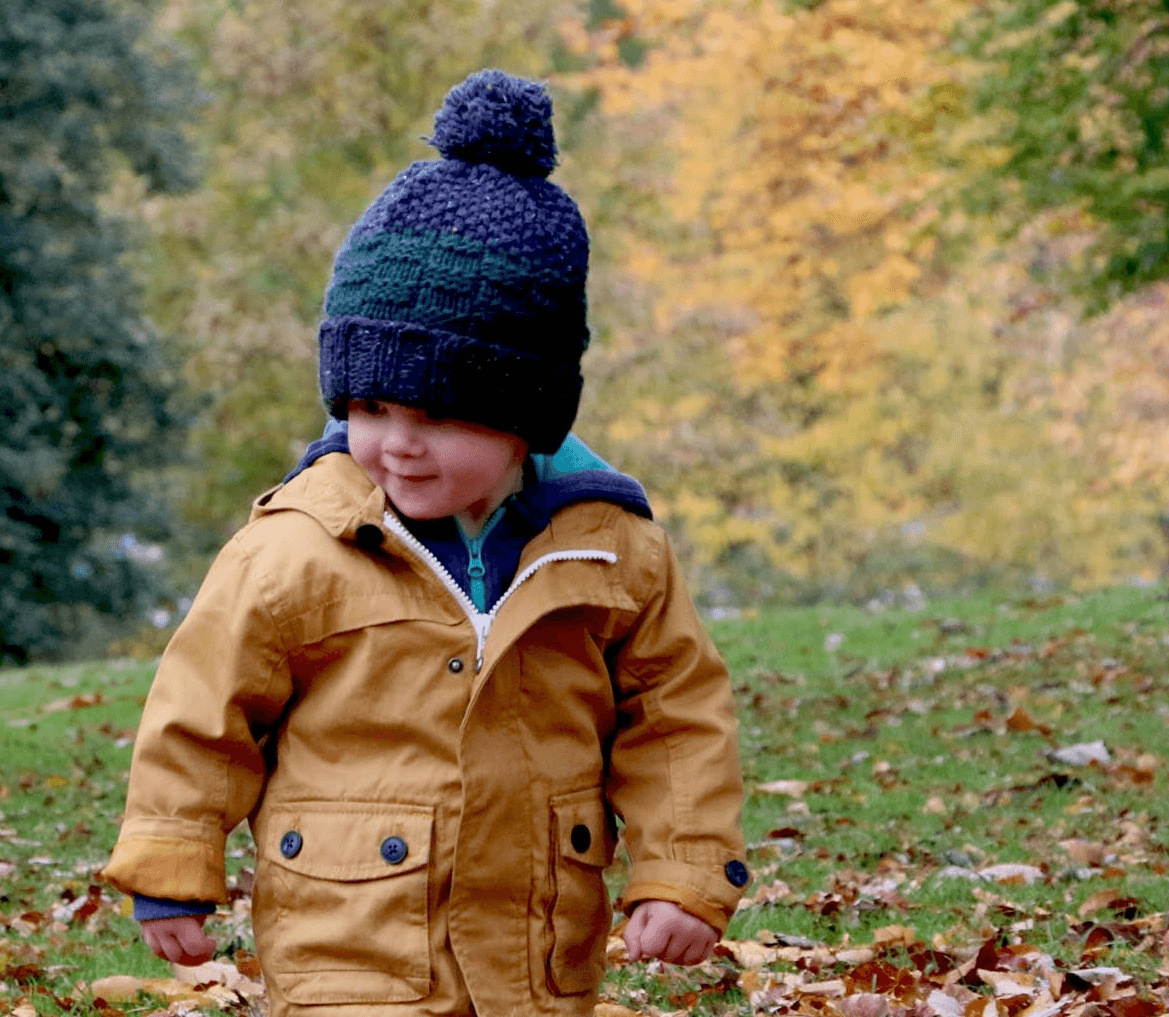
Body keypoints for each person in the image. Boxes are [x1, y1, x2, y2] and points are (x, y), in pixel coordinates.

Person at [100, 69, 748, 1017]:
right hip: (348, 952)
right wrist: (171, 857)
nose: (397, 442)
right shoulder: (299, 548)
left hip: (535, 961)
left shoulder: (610, 549)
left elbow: (676, 717)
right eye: (369, 407)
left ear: (526, 416)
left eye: (438, 415)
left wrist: (684, 872)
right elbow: (203, 707)